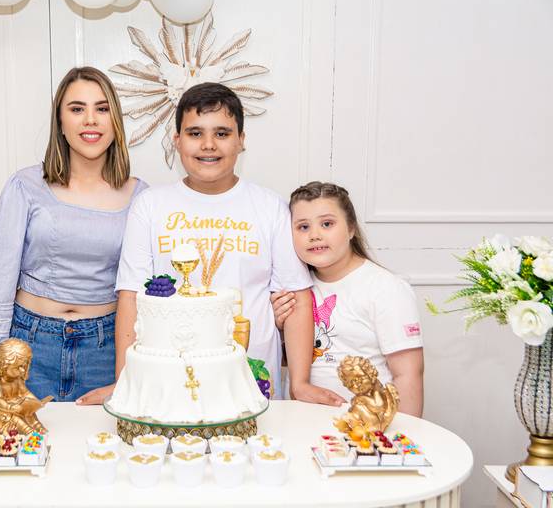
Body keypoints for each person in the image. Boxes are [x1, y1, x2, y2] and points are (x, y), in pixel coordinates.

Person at [94, 82, 337, 404]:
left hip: (251, 385)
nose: (208, 145)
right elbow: (130, 297)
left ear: (241, 140)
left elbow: (297, 300)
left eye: (222, 133)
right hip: (167, 383)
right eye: (195, 133)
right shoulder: (150, 206)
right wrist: (125, 381)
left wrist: (300, 382)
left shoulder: (270, 207)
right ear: (177, 141)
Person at [0, 66, 147, 403]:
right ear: (60, 122)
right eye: (77, 109)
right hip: (28, 347)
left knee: (97, 438)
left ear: (115, 121)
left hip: (105, 350)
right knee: (23, 438)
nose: (90, 120)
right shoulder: (25, 186)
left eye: (102, 109)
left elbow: (141, 292)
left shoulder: (141, 198)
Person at [272, 182, 424, 415]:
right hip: (301, 420)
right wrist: (278, 329)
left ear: (351, 228)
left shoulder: (386, 289)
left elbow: (408, 374)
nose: (314, 235)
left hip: (366, 424)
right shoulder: (294, 290)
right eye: (303, 227)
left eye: (327, 224)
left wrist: (400, 433)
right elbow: (288, 362)